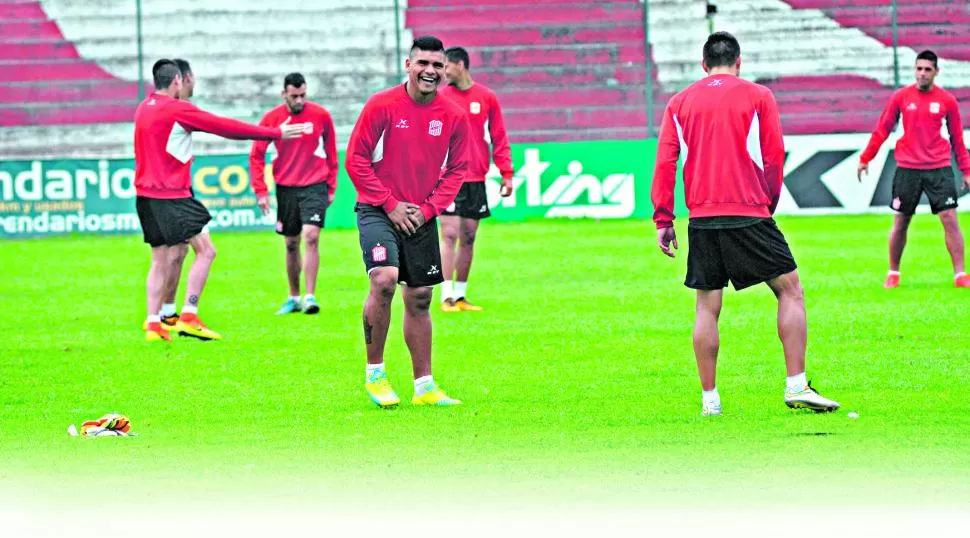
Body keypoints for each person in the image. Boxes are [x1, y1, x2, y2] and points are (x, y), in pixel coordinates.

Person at [651, 32, 840, 416]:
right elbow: (773, 157)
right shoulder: (758, 96)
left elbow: (665, 162)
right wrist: (766, 202)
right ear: (739, 62)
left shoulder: (679, 102)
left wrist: (664, 217)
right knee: (790, 290)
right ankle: (796, 386)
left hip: (702, 217)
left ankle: (710, 401)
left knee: (706, 305)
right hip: (748, 210)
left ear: (703, 65)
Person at [136, 59, 306, 342]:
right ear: (178, 81)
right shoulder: (177, 109)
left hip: (145, 196)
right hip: (172, 196)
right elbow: (225, 127)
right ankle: (189, 315)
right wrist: (275, 133)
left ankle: (155, 321)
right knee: (206, 251)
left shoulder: (144, 108)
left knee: (163, 257)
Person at [345, 36, 471, 407]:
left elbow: (458, 169)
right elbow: (356, 160)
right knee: (383, 280)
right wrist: (390, 203)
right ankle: (376, 375)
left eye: (437, 65)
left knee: (420, 296)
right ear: (408, 65)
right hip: (377, 209)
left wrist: (429, 208)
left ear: (445, 69)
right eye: (423, 64)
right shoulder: (381, 105)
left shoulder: (453, 115)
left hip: (420, 214)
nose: (430, 71)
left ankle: (424, 387)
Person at [858, 50, 970, 289]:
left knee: (950, 218)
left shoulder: (947, 101)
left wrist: (966, 170)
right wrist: (866, 157)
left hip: (939, 168)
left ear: (936, 72)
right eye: (919, 69)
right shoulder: (901, 97)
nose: (922, 74)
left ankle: (960, 275)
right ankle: (893, 272)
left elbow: (957, 139)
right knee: (901, 220)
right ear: (914, 70)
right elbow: (883, 129)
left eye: (927, 69)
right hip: (907, 169)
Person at [250, 72, 339, 315]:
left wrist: (331, 186)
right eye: (294, 96)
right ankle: (294, 297)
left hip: (315, 185)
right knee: (291, 243)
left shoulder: (321, 116)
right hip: (286, 187)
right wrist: (261, 190)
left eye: (303, 95)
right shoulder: (272, 119)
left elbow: (332, 153)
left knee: (311, 236)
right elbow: (256, 154)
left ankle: (310, 297)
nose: (299, 100)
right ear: (284, 94)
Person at [437, 46, 515, 312]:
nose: (443, 71)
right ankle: (445, 296)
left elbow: (499, 137)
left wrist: (506, 172)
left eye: (446, 66)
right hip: (447, 177)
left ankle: (460, 296)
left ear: (460, 65)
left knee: (469, 237)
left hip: (476, 178)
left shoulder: (487, 98)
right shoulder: (440, 98)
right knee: (448, 234)